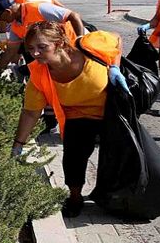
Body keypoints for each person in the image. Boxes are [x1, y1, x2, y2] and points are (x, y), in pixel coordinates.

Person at [12, 22, 129, 217]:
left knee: (120, 155)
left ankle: (120, 197)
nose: (35, 54)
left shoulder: (86, 46)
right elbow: (31, 112)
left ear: (59, 43)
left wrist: (114, 68)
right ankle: (75, 197)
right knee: (74, 156)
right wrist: (18, 144)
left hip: (112, 111)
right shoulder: (39, 74)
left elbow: (116, 38)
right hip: (77, 115)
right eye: (31, 48)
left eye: (42, 47)